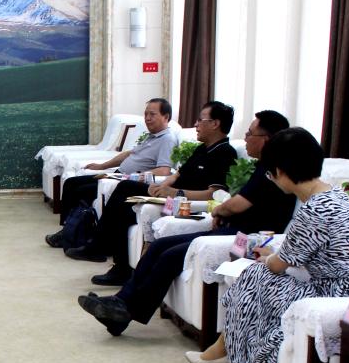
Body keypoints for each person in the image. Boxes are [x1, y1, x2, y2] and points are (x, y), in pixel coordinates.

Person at [186, 128, 349, 363]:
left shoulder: (314, 210)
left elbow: (278, 264)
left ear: (281, 171)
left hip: (335, 295)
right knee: (256, 279)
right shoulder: (334, 195)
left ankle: (227, 354)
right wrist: (273, 258)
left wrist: (268, 259)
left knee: (254, 275)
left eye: (270, 173)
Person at [79, 110, 295, 335]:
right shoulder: (261, 166)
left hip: (249, 238)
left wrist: (220, 210)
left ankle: (124, 310)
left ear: (266, 139)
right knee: (160, 245)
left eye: (250, 133)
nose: (246, 137)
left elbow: (237, 203)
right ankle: (120, 305)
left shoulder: (272, 170)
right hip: (231, 229)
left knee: (170, 256)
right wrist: (222, 212)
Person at [65, 100, 238, 285]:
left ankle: (104, 252)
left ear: (215, 123)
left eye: (200, 120)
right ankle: (115, 262)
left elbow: (213, 193)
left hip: (185, 203)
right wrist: (163, 186)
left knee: (125, 191)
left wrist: (175, 192)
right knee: (123, 199)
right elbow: (177, 174)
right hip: (169, 193)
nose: (196, 124)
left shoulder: (225, 153)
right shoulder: (202, 149)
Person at [48, 98, 178, 229]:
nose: (147, 118)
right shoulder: (151, 136)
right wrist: (102, 166)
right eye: (146, 114)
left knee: (81, 191)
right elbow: (128, 154)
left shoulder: (167, 139)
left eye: (152, 114)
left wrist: (136, 175)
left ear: (166, 117)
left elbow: (164, 170)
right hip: (116, 175)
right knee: (71, 182)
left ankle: (72, 230)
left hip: (126, 181)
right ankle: (66, 229)